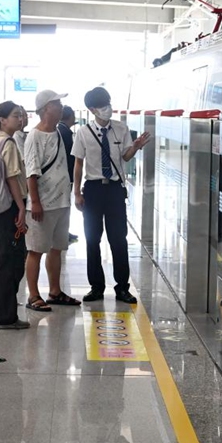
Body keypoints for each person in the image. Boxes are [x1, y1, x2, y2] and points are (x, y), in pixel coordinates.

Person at [72, 87, 150, 304]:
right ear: (92, 109)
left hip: (115, 190)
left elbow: (125, 157)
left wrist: (135, 147)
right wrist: (76, 192)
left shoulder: (120, 128)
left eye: (108, 103)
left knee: (118, 239)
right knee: (92, 239)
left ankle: (122, 288)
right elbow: (78, 163)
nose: (108, 109)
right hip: (94, 189)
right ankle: (96, 287)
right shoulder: (83, 132)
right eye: (103, 106)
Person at [23, 90, 80, 312]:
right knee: (36, 250)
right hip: (42, 205)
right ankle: (33, 295)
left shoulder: (56, 133)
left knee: (57, 248)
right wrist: (35, 202)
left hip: (61, 202)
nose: (61, 107)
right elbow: (32, 171)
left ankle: (55, 291)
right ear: (46, 108)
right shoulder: (34, 136)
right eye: (57, 103)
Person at [0, 101, 30, 330]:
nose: (19, 119)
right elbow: (12, 178)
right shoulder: (8, 144)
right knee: (10, 262)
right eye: (15, 115)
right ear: (2, 119)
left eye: (20, 115)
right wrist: (21, 207)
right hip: (9, 207)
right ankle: (6, 316)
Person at [58, 105, 78, 244]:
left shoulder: (62, 130)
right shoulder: (64, 132)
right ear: (70, 117)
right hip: (64, 175)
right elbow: (69, 156)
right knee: (64, 205)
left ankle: (64, 231)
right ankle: (62, 232)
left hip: (64, 175)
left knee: (65, 205)